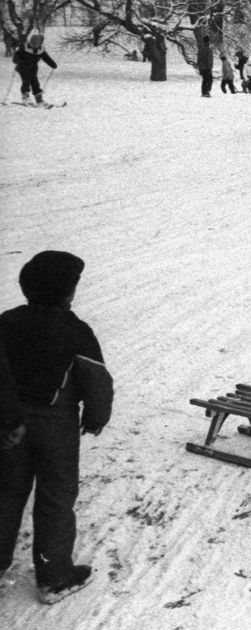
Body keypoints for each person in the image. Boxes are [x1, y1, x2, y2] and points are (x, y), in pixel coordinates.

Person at [0, 251, 113, 603]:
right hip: (56, 426)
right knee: (56, 499)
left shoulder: (6, 322)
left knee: (5, 493)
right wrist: (95, 417)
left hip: (9, 423)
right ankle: (54, 577)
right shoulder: (76, 332)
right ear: (69, 293)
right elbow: (97, 383)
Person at [12, 33, 56, 106]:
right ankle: (25, 97)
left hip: (33, 67)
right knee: (26, 79)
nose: (36, 45)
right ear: (31, 42)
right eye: (34, 43)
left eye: (37, 43)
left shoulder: (41, 49)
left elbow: (46, 57)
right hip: (22, 66)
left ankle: (39, 99)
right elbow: (17, 55)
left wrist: (53, 64)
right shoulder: (24, 47)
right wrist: (16, 60)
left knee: (35, 81)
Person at [197, 31, 215, 97]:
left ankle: (204, 92)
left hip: (202, 67)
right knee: (209, 80)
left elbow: (199, 59)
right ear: (209, 42)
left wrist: (199, 67)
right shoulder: (209, 50)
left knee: (204, 80)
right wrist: (210, 67)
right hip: (207, 68)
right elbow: (209, 60)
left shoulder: (200, 49)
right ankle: (206, 92)